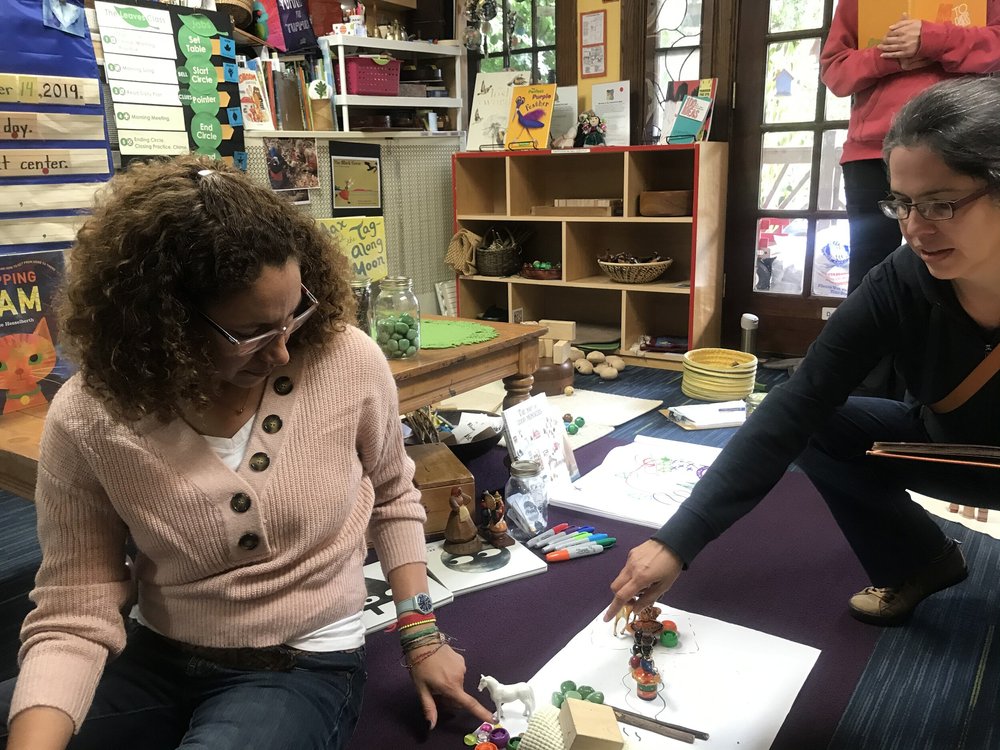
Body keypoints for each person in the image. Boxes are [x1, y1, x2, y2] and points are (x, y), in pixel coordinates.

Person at [0, 155, 491, 750]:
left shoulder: (347, 360)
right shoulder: (91, 414)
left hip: (299, 662)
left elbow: (392, 494)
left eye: (294, 314)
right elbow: (75, 605)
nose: (283, 351)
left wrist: (421, 634)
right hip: (153, 652)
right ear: (163, 325)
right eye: (252, 333)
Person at [605, 77, 1000, 630]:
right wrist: (679, 539)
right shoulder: (902, 280)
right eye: (903, 204)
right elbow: (799, 400)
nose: (915, 228)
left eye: (940, 204)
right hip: (940, 445)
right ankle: (920, 562)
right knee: (818, 422)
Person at [821, 0, 1000, 295]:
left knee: (965, 270)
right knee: (868, 276)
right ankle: (867, 342)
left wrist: (932, 40)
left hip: (960, 145)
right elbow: (835, 71)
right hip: (870, 151)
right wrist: (890, 55)